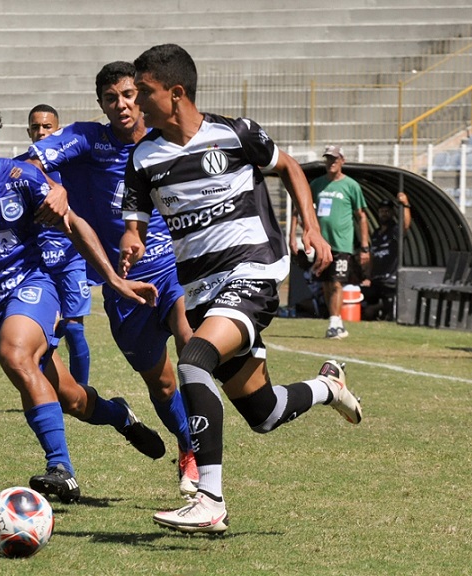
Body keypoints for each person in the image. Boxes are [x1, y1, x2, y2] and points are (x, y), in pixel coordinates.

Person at [122, 43, 363, 534]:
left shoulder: (235, 133)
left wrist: (311, 229)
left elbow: (291, 167)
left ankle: (209, 499)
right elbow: (135, 224)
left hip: (252, 275)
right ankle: (327, 386)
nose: (136, 103)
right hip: (203, 290)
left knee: (193, 359)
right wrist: (131, 241)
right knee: (264, 412)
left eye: (143, 92)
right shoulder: (142, 158)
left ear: (176, 93)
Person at [0, 100, 167, 505]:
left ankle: (61, 469)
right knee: (72, 398)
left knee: (16, 353)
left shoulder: (22, 178)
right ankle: (120, 415)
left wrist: (112, 278)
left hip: (32, 286)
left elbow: (73, 225)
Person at [26, 62, 199, 497]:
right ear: (101, 103)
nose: (121, 105)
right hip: (123, 284)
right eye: (111, 98)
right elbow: (28, 161)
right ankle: (184, 439)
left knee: (190, 344)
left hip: (175, 268)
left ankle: (199, 455)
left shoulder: (168, 137)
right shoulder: (89, 139)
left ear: (140, 95)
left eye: (128, 95)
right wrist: (54, 186)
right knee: (160, 383)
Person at [17, 104, 92, 385]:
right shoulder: (19, 167)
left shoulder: (75, 167)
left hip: (71, 258)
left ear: (57, 130)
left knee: (74, 330)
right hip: (36, 263)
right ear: (28, 131)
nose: (41, 131)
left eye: (47, 127)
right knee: (37, 331)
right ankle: (47, 389)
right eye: (36, 127)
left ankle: (82, 393)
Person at [291, 145, 369, 339]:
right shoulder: (317, 184)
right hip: (322, 244)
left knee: (336, 283)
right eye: (328, 159)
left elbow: (361, 216)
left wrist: (365, 246)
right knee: (326, 283)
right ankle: (336, 322)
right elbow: (298, 208)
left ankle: (335, 321)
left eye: (334, 159)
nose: (331, 162)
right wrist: (292, 236)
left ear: (342, 160)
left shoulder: (351, 186)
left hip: (342, 243)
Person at [360, 192, 411, 321]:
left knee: (384, 307)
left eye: (387, 211)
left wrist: (405, 205)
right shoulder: (376, 233)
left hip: (390, 282)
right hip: (376, 280)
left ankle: (382, 311)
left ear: (392, 213)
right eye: (382, 211)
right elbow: (372, 256)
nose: (384, 214)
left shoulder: (394, 231)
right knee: (364, 299)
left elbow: (405, 225)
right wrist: (368, 276)